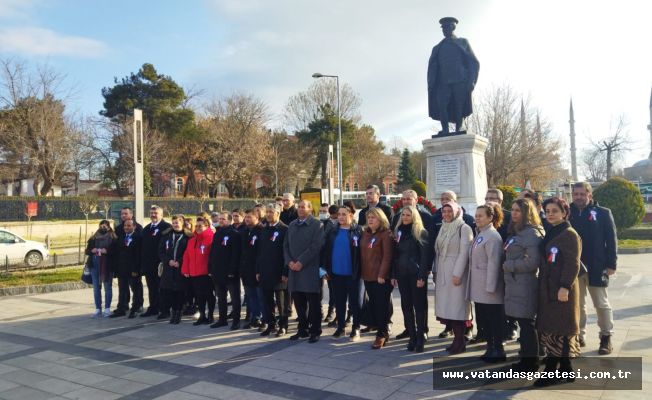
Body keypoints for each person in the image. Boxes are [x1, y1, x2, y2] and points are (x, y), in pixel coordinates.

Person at [535, 197, 581, 387]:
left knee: (560, 329)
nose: (550, 214)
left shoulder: (569, 234)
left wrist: (565, 286)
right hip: (549, 288)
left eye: (555, 210)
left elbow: (573, 263)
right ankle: (566, 369)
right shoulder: (553, 231)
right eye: (548, 211)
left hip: (562, 289)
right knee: (554, 327)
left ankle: (552, 371)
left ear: (564, 212)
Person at [569, 182, 617, 355]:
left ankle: (606, 337)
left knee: (601, 304)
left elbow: (611, 240)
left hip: (598, 266)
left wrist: (612, 264)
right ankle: (579, 335)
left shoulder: (603, 213)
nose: (579, 197)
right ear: (572, 195)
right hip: (575, 267)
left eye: (582, 194)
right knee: (578, 304)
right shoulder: (568, 213)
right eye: (576, 194)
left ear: (589, 195)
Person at [503, 198, 544, 371]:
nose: (513, 213)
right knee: (523, 323)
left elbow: (533, 262)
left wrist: (509, 266)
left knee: (527, 324)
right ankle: (526, 357)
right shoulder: (517, 232)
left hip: (525, 284)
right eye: (512, 210)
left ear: (527, 213)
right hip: (514, 283)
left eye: (518, 210)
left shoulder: (531, 234)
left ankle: (531, 362)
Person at [391, 190, 434, 341]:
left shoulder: (425, 218)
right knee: (406, 303)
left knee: (420, 303)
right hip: (402, 272)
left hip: (417, 271)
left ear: (416, 200)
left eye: (409, 198)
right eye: (403, 199)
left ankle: (423, 331)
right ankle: (410, 330)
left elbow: (427, 249)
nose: (406, 201)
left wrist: (425, 270)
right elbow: (394, 252)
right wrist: (394, 274)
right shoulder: (397, 222)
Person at [431, 190, 475, 340]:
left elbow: (464, 253)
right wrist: (435, 270)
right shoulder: (444, 226)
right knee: (449, 306)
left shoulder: (465, 227)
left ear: (457, 209)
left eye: (450, 210)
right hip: (443, 271)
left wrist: (457, 273)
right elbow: (438, 250)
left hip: (457, 273)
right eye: (444, 211)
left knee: (459, 307)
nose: (447, 214)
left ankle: (461, 339)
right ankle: (454, 336)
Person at [427, 17, 479, 135]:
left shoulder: (463, 42)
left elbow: (472, 62)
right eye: (443, 28)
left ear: (452, 27)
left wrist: (472, 81)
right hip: (442, 82)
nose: (444, 30)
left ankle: (458, 128)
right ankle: (445, 129)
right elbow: (433, 67)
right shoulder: (437, 47)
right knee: (442, 105)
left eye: (447, 27)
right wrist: (432, 83)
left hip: (459, 80)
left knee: (458, 104)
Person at [468, 203, 505, 362]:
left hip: (489, 288)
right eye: (476, 215)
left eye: (481, 215)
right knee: (485, 320)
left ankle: (498, 349)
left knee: (494, 320)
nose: (477, 218)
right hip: (480, 286)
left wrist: (490, 287)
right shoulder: (481, 233)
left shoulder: (493, 236)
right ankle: (491, 347)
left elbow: (494, 263)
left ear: (490, 217)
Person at [284, 200, 324, 343]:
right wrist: (289, 262)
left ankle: (315, 330)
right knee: (299, 303)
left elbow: (316, 246)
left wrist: (301, 261)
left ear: (310, 209)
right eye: (299, 207)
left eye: (303, 207)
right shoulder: (292, 225)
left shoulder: (317, 225)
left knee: (313, 303)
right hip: (293, 269)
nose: (300, 209)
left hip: (309, 269)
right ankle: (302, 329)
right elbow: (285, 246)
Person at [322, 204, 363, 341]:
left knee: (354, 302)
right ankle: (340, 327)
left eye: (344, 214)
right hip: (335, 273)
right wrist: (324, 270)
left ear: (351, 215)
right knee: (339, 302)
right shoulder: (332, 231)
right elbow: (325, 252)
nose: (341, 217)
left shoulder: (358, 231)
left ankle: (356, 328)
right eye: (339, 214)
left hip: (353, 274)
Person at [360, 207, 394, 349]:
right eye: (369, 218)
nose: (370, 220)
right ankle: (378, 328)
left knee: (381, 306)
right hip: (367, 276)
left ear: (381, 219)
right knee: (373, 304)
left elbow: (387, 256)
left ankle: (382, 334)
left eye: (373, 218)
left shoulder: (386, 234)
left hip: (380, 277)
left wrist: (382, 274)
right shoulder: (366, 233)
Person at [485, 188, 517, 341]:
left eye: (493, 198)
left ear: (500, 201)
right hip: (488, 264)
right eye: (487, 198)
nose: (489, 200)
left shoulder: (510, 217)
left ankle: (511, 326)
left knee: (507, 297)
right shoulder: (483, 215)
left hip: (505, 263)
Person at [257, 204, 289, 337]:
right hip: (265, 271)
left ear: (278, 213)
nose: (269, 214)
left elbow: (287, 252)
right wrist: (258, 270)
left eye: (271, 212)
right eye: (267, 212)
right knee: (267, 300)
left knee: (281, 302)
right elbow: (260, 252)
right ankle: (271, 324)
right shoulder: (264, 229)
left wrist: (285, 272)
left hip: (279, 271)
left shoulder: (284, 229)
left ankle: (283, 325)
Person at [209, 211, 242, 330]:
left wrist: (232, 271)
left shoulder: (234, 234)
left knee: (234, 298)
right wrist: (210, 267)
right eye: (220, 219)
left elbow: (235, 254)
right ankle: (222, 319)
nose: (221, 221)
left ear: (230, 220)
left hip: (230, 272)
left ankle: (236, 321)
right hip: (217, 271)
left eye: (223, 219)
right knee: (221, 297)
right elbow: (212, 252)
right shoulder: (217, 234)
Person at [181, 216, 215, 326]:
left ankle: (210, 315)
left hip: (206, 273)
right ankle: (202, 315)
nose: (198, 228)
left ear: (207, 226)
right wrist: (185, 269)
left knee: (209, 295)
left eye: (200, 226)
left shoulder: (211, 238)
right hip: (194, 273)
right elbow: (186, 256)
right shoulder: (192, 240)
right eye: (196, 226)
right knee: (199, 296)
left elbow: (213, 257)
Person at [158, 214, 191, 324]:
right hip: (169, 269)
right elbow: (161, 251)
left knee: (180, 292)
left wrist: (180, 262)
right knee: (170, 292)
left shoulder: (188, 237)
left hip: (180, 269)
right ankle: (173, 312)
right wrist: (168, 261)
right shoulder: (166, 235)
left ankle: (179, 312)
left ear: (182, 223)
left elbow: (189, 252)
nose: (175, 224)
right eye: (174, 222)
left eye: (177, 222)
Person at [140, 205, 172, 318]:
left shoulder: (167, 227)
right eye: (151, 213)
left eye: (156, 213)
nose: (153, 215)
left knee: (162, 287)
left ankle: (164, 309)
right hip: (149, 265)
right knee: (151, 287)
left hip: (161, 264)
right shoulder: (146, 228)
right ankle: (153, 307)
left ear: (161, 215)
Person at [110, 219, 143, 319]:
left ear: (134, 227)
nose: (126, 228)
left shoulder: (138, 238)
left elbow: (138, 255)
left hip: (133, 269)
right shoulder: (121, 237)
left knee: (136, 290)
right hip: (122, 269)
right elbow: (118, 253)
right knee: (122, 290)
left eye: (129, 226)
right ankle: (122, 308)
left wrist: (136, 270)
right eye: (125, 226)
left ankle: (136, 308)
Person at [85, 220, 117, 318]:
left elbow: (116, 250)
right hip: (94, 264)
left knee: (107, 287)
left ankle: (107, 309)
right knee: (96, 288)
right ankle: (98, 309)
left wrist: (107, 251)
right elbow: (87, 250)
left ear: (108, 226)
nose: (103, 227)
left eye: (105, 225)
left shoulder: (113, 237)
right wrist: (92, 250)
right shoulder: (94, 237)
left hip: (107, 265)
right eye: (101, 225)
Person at [240, 209, 265, 329]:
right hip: (246, 269)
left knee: (260, 295)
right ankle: (254, 317)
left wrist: (259, 269)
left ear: (257, 218)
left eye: (249, 217)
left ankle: (263, 318)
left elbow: (261, 253)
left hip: (257, 269)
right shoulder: (245, 231)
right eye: (246, 217)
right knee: (250, 295)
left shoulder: (261, 231)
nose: (247, 219)